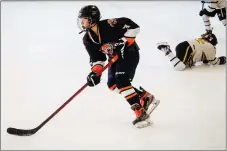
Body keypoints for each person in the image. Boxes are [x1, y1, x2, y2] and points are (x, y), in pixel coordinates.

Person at [77, 5, 160, 128]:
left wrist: (123, 42)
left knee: (122, 81)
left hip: (129, 53)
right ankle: (145, 97)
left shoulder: (110, 24)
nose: (81, 22)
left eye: (84, 19)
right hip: (114, 59)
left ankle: (141, 112)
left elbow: (134, 27)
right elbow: (98, 58)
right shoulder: (87, 39)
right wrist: (96, 73)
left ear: (92, 19)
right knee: (113, 85)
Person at [157, 33, 226, 71]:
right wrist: (222, 60)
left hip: (183, 46)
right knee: (179, 67)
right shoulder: (210, 47)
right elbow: (213, 61)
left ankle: (167, 50)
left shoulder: (201, 41)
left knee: (181, 63)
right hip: (188, 48)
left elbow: (203, 58)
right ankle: (167, 50)